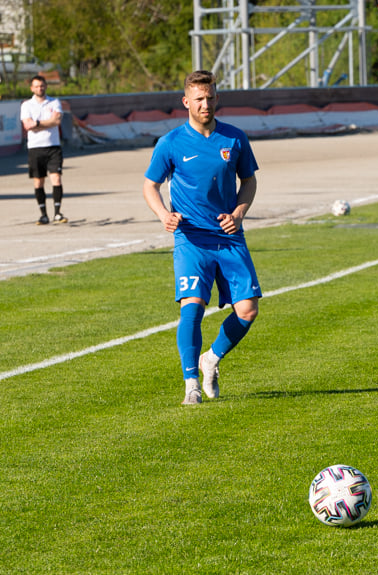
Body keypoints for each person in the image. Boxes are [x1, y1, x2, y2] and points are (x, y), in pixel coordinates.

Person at [143, 70, 262, 405]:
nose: (205, 104)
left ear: (216, 98)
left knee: (248, 310)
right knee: (192, 308)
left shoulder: (234, 138)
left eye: (210, 97)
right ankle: (190, 383)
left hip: (229, 237)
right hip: (191, 239)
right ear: (186, 102)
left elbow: (249, 181)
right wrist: (164, 214)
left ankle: (210, 359)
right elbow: (150, 185)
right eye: (198, 99)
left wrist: (239, 212)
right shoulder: (170, 143)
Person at [20, 75, 67, 225]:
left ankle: (58, 213)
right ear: (32, 88)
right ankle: (43, 214)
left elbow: (57, 121)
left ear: (46, 86)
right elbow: (27, 125)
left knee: (56, 178)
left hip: (53, 146)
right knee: (38, 182)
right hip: (35, 148)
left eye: (42, 85)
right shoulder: (26, 105)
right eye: (36, 86)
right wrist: (49, 122)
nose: (40, 88)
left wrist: (38, 123)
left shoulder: (54, 102)